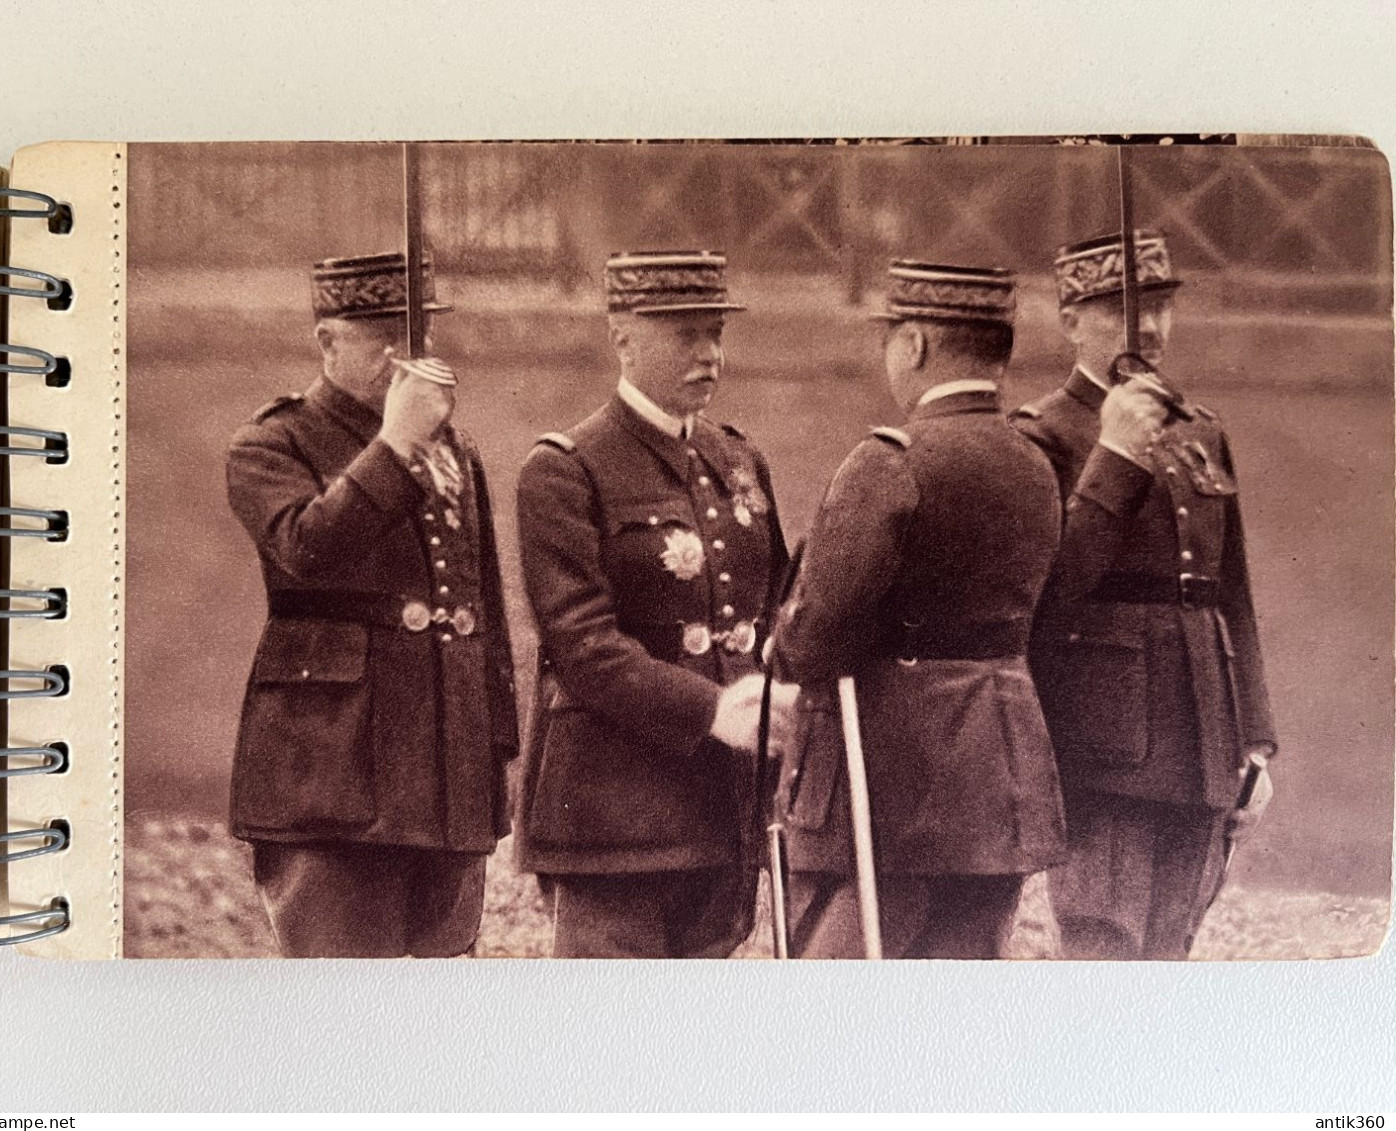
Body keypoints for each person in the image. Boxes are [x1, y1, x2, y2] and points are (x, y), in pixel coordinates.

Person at [771, 260, 1067, 959]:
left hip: (893, 785)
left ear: (915, 345)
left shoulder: (888, 461)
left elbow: (812, 640)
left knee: (835, 999)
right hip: (1000, 780)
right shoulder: (1036, 464)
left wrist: (785, 633)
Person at [226, 250, 519, 958]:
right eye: (382, 333)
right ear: (328, 341)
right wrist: (394, 444)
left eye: (417, 335)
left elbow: (482, 605)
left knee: (435, 1002)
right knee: (347, 1002)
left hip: (446, 772)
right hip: (333, 770)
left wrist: (493, 743)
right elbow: (305, 549)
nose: (404, 355)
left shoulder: (455, 449)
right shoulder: (272, 443)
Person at [515, 250, 793, 958]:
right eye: (684, 336)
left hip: (721, 803)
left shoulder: (737, 458)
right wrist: (710, 711)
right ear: (623, 339)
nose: (708, 355)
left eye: (715, 334)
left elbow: (775, 605)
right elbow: (583, 648)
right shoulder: (566, 467)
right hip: (613, 817)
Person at [1012, 229, 1277, 960]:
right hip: (1106, 742)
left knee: (1172, 945)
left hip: (1202, 738)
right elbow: (1044, 592)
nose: (1151, 330)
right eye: (1124, 313)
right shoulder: (1044, 436)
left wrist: (1253, 738)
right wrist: (1115, 454)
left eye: (1161, 307)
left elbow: (1234, 599)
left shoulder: (1200, 431)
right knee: (1104, 942)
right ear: (1070, 321)